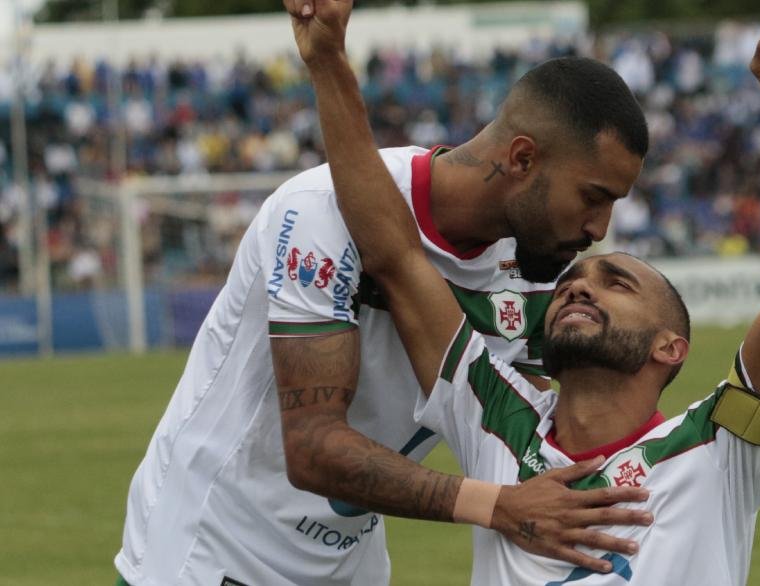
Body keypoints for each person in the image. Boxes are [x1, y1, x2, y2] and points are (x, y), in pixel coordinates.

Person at [113, 5, 657, 586]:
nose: (599, 229)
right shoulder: (321, 212)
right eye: (593, 196)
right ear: (523, 158)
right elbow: (313, 446)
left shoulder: (541, 271)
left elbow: (546, 431)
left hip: (348, 562)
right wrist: (497, 506)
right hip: (210, 550)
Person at [309, 0, 760, 582]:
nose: (578, 287)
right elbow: (397, 254)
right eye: (571, 283)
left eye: (617, 284)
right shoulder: (497, 421)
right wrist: (328, 57)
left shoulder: (718, 450)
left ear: (671, 348)